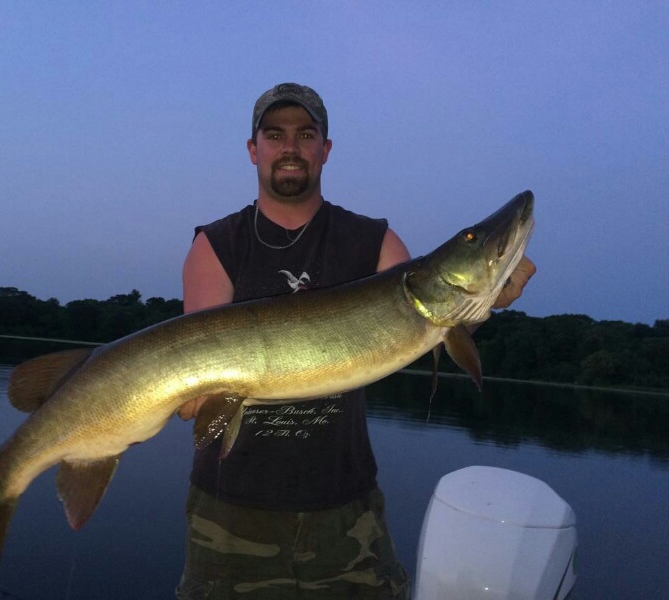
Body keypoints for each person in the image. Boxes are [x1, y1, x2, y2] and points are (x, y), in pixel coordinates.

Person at [175, 83, 536, 600]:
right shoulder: (215, 245)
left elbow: (432, 325)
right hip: (230, 511)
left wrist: (487, 301)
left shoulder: (377, 243)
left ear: (325, 149)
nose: (291, 146)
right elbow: (199, 363)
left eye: (306, 134)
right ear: (254, 150)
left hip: (345, 511)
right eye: (275, 135)